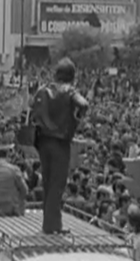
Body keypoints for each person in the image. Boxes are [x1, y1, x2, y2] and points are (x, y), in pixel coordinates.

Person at [31, 58, 88, 234]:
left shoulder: (42, 90)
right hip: (60, 142)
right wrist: (77, 116)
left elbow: (32, 109)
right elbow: (83, 103)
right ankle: (52, 225)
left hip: (42, 142)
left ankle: (48, 224)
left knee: (48, 182)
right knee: (57, 184)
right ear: (71, 76)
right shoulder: (70, 91)